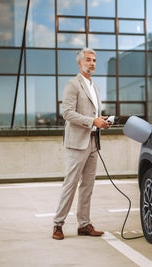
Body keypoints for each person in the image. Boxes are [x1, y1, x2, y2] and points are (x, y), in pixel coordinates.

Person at [52, 47, 111, 240]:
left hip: (93, 142)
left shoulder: (95, 87)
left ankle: (84, 224)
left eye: (94, 60)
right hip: (77, 143)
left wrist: (100, 120)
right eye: (88, 60)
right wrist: (92, 121)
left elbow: (92, 114)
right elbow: (67, 113)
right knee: (70, 184)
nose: (92, 63)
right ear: (80, 63)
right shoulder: (73, 84)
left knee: (88, 185)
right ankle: (57, 224)